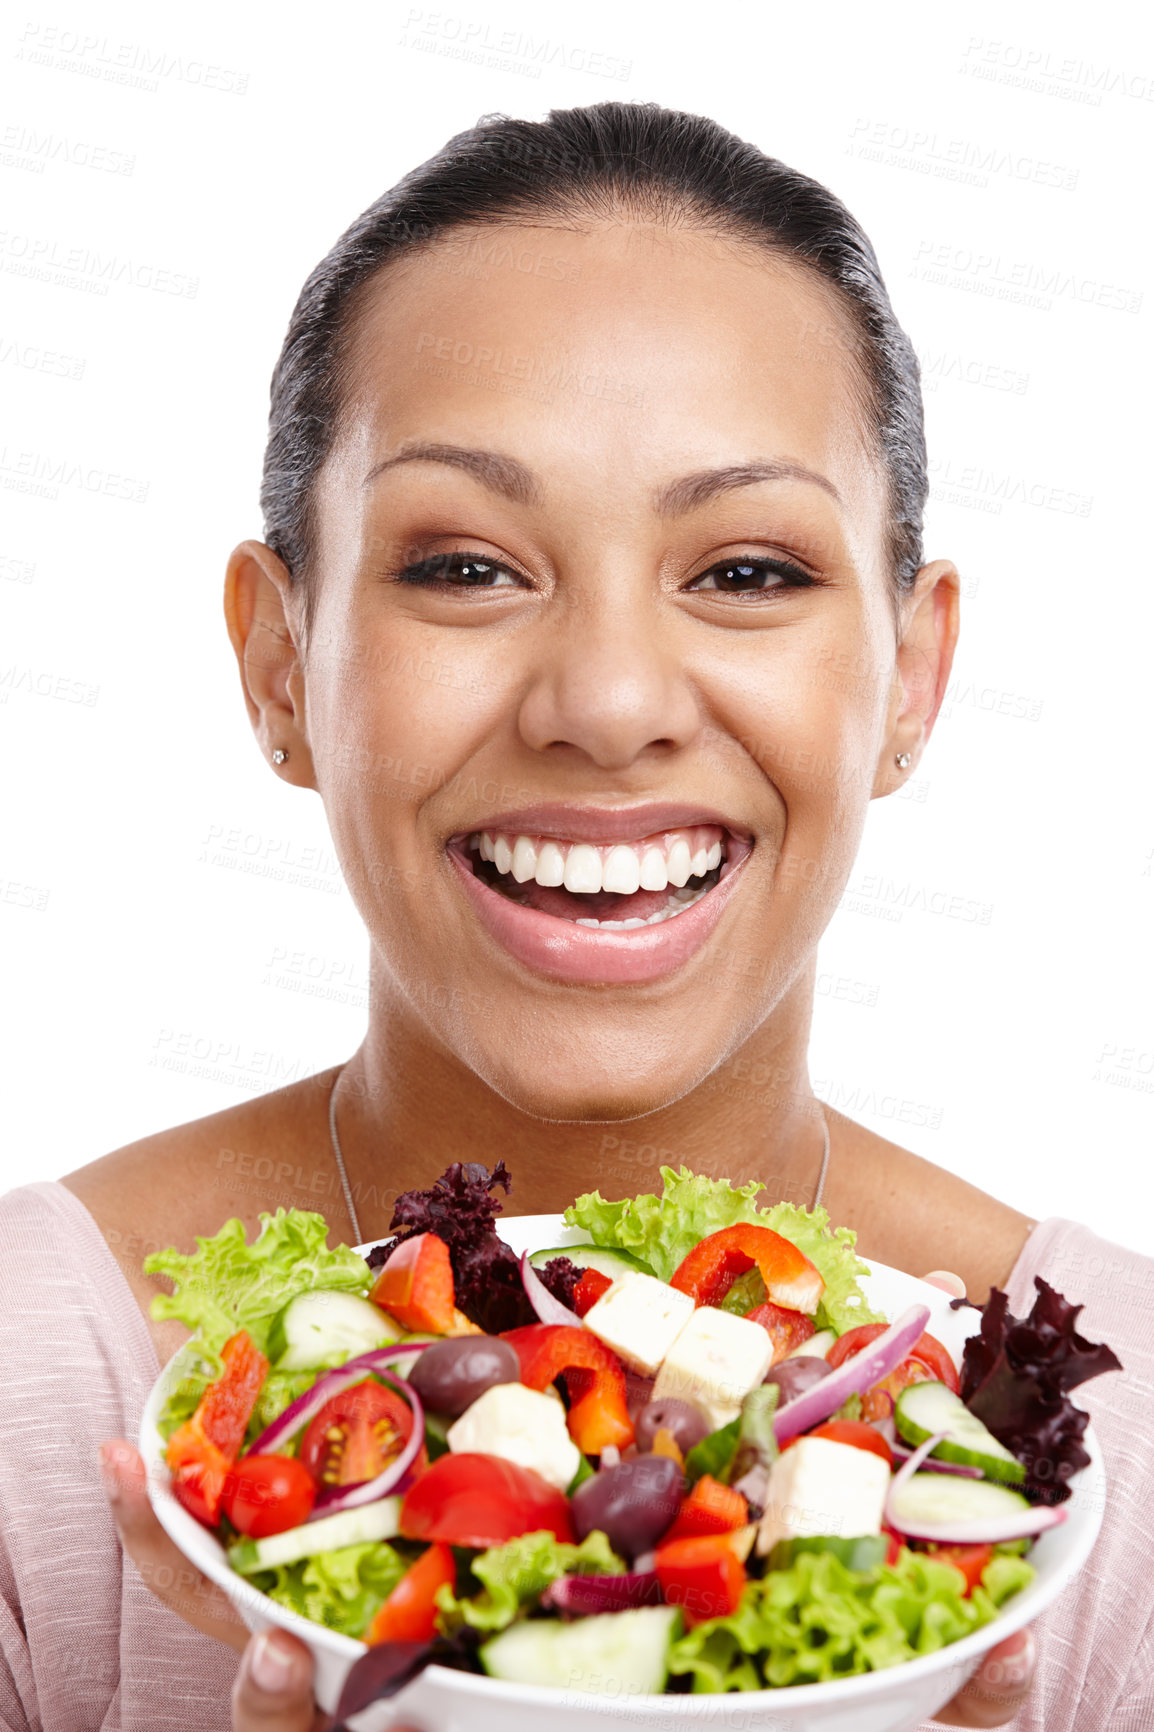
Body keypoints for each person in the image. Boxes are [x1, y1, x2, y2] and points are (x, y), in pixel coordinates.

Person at [0, 102, 1147, 1732]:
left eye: (746, 571)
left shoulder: (1130, 1454)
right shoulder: (26, 1383)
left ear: (914, 679)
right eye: (465, 566)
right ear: (278, 666)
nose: (607, 705)